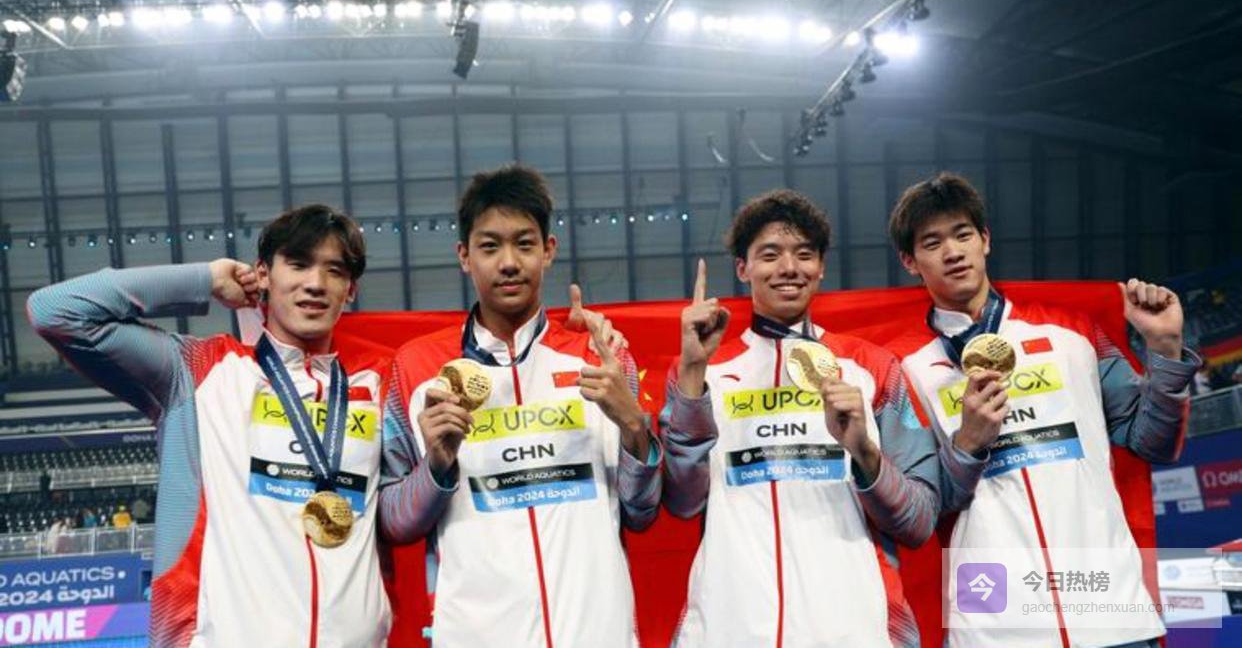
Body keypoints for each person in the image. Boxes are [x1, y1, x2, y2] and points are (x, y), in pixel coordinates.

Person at [29, 204, 393, 647]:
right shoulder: (197, 370)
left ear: (350, 289)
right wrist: (204, 279)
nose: (315, 283)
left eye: (334, 271)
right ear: (264, 274)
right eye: (298, 264)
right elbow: (53, 310)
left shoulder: (379, 383)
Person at [888, 172, 1198, 648]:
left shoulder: (1073, 333)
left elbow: (1151, 442)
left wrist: (1165, 347)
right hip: (994, 625)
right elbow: (920, 510)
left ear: (985, 240)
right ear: (910, 261)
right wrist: (968, 443)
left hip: (1109, 610)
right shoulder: (904, 370)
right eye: (933, 243)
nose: (953, 252)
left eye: (963, 234)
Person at [378, 164, 661, 647]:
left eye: (524, 244)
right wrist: (437, 466)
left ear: (548, 251)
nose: (509, 263)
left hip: (597, 632)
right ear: (465, 256)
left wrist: (635, 427)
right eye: (490, 247)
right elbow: (393, 521)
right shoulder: (417, 367)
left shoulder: (602, 358)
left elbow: (643, 510)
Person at [661, 189, 940, 647]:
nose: (789, 268)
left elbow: (919, 521)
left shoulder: (873, 368)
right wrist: (692, 375)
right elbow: (682, 501)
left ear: (821, 267)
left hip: (854, 629)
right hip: (730, 629)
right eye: (770, 255)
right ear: (743, 268)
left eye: (804, 254)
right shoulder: (701, 371)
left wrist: (864, 453)